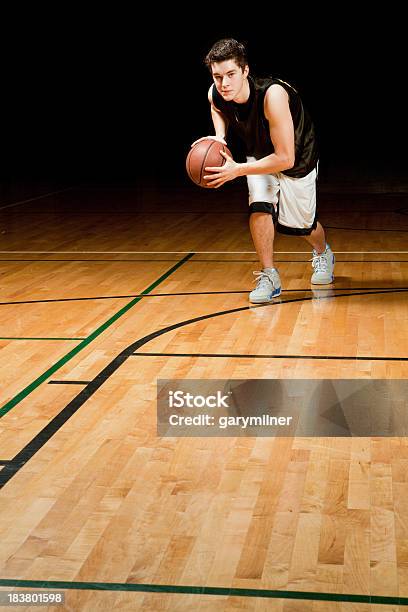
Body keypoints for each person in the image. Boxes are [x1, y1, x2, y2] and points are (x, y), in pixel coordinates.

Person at [192, 38, 335, 303]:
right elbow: (216, 107)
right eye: (217, 76)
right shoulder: (216, 92)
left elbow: (285, 157)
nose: (224, 84)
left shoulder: (273, 96)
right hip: (258, 153)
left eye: (231, 75)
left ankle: (322, 252)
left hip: (296, 156)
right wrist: (219, 137)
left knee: (302, 226)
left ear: (245, 70)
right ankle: (270, 276)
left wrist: (238, 170)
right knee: (260, 207)